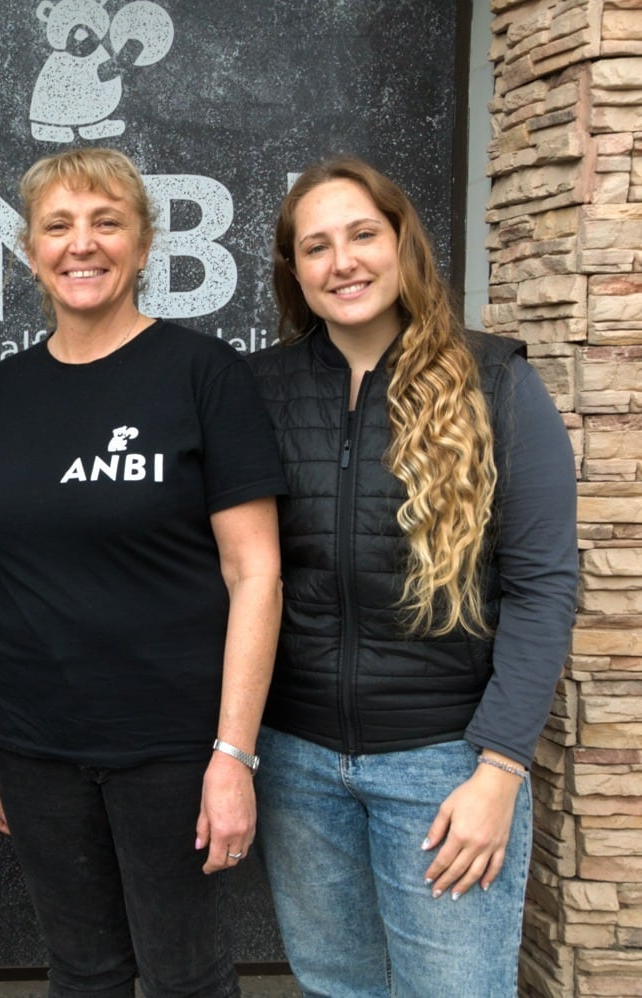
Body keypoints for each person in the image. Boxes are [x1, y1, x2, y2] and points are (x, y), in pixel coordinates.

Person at [247, 155, 578, 997]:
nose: (343, 261)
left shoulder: (494, 379)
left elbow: (543, 587)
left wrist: (500, 770)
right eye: (316, 246)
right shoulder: (260, 391)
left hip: (445, 769)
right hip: (297, 765)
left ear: (403, 244)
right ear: (295, 271)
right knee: (337, 989)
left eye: (363, 234)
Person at [0, 147, 285, 998]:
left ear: (144, 247)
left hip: (171, 747)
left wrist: (233, 755)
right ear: (30, 249)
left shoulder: (203, 374)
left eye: (107, 223)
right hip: (34, 743)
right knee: (83, 971)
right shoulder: (8, 389)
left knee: (184, 976)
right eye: (59, 225)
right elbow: (5, 571)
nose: (83, 244)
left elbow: (256, 574)